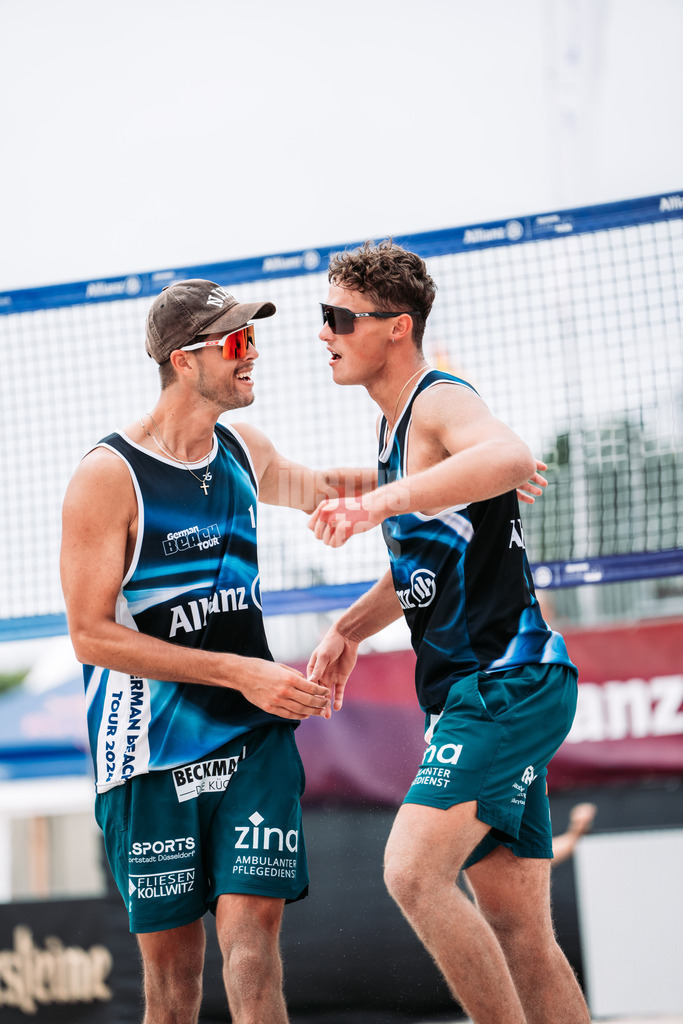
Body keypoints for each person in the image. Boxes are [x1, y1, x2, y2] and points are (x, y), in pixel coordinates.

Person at [59, 279, 377, 1024]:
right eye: (237, 342)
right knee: (172, 981)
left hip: (251, 733)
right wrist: (241, 672)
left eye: (252, 338)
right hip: (148, 746)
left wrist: (459, 479)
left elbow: (326, 486)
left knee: (252, 941)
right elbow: (90, 635)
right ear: (182, 359)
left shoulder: (241, 447)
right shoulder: (109, 475)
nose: (253, 353)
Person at [306, 241, 591, 1024]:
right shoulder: (395, 427)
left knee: (411, 873)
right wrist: (350, 629)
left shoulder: (435, 401)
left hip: (504, 684)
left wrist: (376, 503)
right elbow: (425, 567)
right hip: (489, 691)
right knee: (519, 924)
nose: (322, 333)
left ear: (395, 327)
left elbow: (507, 455)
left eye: (337, 318)